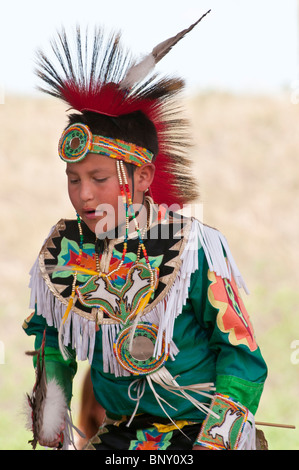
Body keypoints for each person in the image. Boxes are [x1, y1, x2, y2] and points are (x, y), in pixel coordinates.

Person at [23, 13, 267, 451]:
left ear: (141, 177)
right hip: (117, 436)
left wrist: (217, 441)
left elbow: (241, 357)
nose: (83, 195)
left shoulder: (192, 247)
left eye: (99, 178)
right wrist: (52, 421)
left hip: (201, 435)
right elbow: (53, 345)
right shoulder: (63, 252)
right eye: (73, 179)